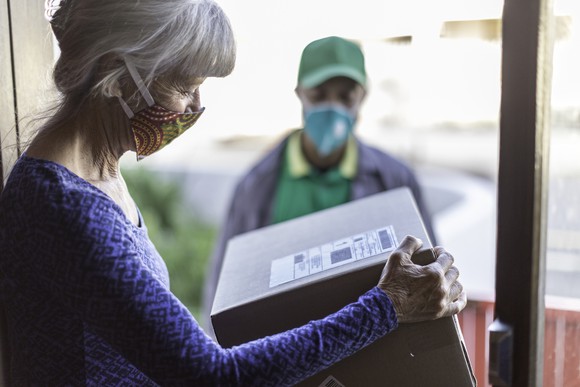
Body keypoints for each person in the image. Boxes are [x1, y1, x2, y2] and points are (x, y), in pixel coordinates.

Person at [0, 1, 466, 385]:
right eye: (186, 85)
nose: (196, 107)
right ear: (117, 75)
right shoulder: (64, 205)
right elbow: (212, 376)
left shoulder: (99, 176)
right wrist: (386, 307)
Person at [203, 36, 437, 334]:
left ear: (362, 96)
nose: (332, 106)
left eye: (345, 96)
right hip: (283, 352)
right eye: (319, 94)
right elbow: (223, 294)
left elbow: (427, 277)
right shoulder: (257, 186)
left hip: (371, 348)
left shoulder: (395, 181)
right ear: (299, 94)